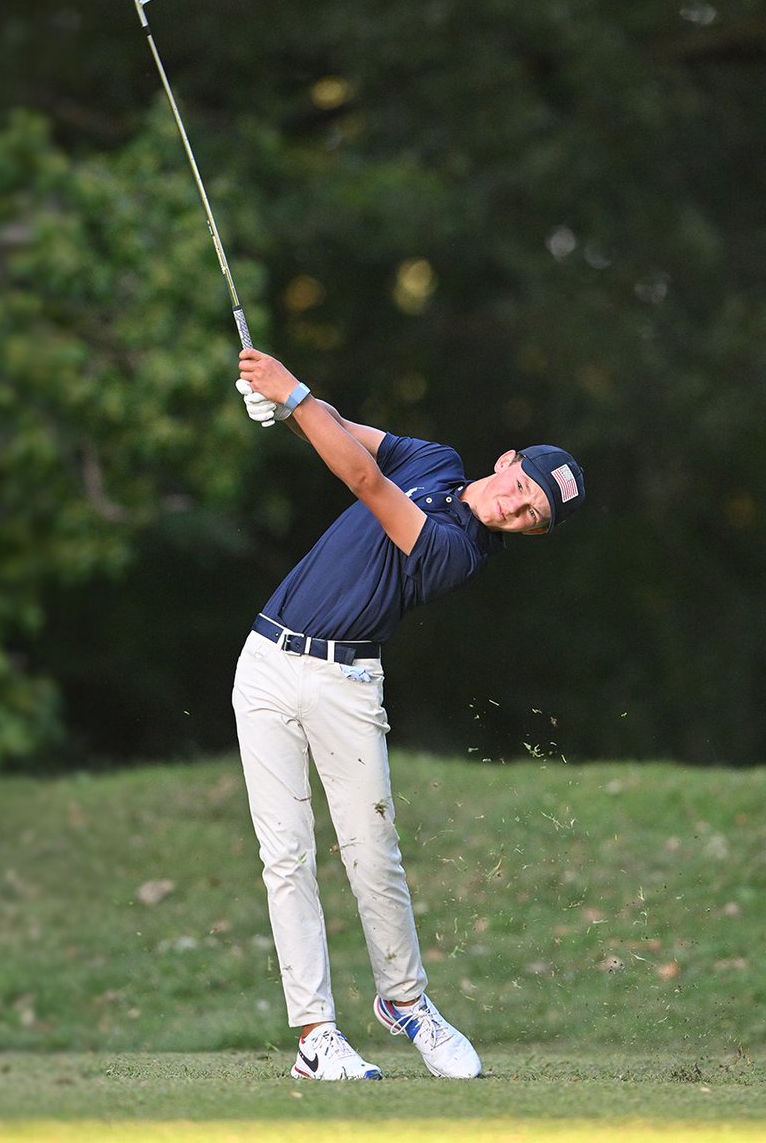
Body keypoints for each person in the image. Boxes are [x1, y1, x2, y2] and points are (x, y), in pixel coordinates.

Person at [233, 347, 585, 1081]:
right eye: (521, 487)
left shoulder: (461, 552)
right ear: (507, 458)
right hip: (265, 662)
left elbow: (362, 480)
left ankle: (407, 1003)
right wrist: (284, 410)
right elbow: (343, 432)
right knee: (286, 857)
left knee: (371, 856)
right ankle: (315, 1038)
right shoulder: (434, 460)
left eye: (531, 516)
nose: (515, 507)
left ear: (532, 532)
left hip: (347, 683)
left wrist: (292, 393)